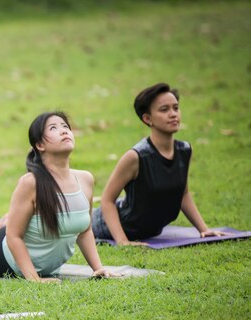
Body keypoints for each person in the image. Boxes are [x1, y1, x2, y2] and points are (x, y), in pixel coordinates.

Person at [0, 112, 115, 283]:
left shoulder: (85, 179)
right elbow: (13, 236)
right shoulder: (31, 183)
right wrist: (35, 279)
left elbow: (85, 231)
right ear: (40, 144)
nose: (64, 131)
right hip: (5, 258)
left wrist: (98, 268)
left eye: (65, 127)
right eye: (54, 128)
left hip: (45, 265)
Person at [91, 82, 228, 245]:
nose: (173, 114)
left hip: (148, 229)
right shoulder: (136, 157)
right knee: (60, 221)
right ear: (147, 119)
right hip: (103, 225)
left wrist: (204, 229)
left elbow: (182, 194)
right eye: (164, 110)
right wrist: (123, 241)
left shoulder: (184, 150)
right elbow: (107, 199)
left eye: (176, 108)